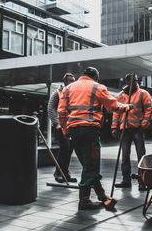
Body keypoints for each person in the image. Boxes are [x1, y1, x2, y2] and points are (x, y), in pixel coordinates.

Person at [58, 67, 132, 210]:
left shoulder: (68, 89)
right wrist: (126, 107)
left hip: (74, 130)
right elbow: (112, 105)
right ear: (95, 76)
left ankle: (103, 197)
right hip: (89, 131)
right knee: (91, 166)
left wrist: (65, 130)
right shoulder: (97, 87)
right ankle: (84, 201)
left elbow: (61, 111)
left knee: (88, 165)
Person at [112, 73, 152, 190]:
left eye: (136, 80)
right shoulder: (120, 95)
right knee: (125, 155)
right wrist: (114, 127)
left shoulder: (143, 94)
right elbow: (116, 112)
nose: (136, 82)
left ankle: (143, 181)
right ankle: (126, 180)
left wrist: (144, 123)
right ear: (127, 82)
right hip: (125, 129)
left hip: (137, 128)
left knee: (141, 155)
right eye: (133, 81)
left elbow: (149, 109)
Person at [48, 73, 77, 183]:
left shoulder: (73, 94)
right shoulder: (57, 93)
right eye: (70, 81)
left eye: (73, 81)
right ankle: (58, 173)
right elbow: (51, 108)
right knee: (65, 148)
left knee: (69, 149)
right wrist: (56, 123)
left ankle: (65, 172)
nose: (72, 83)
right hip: (60, 125)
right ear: (65, 81)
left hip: (70, 126)